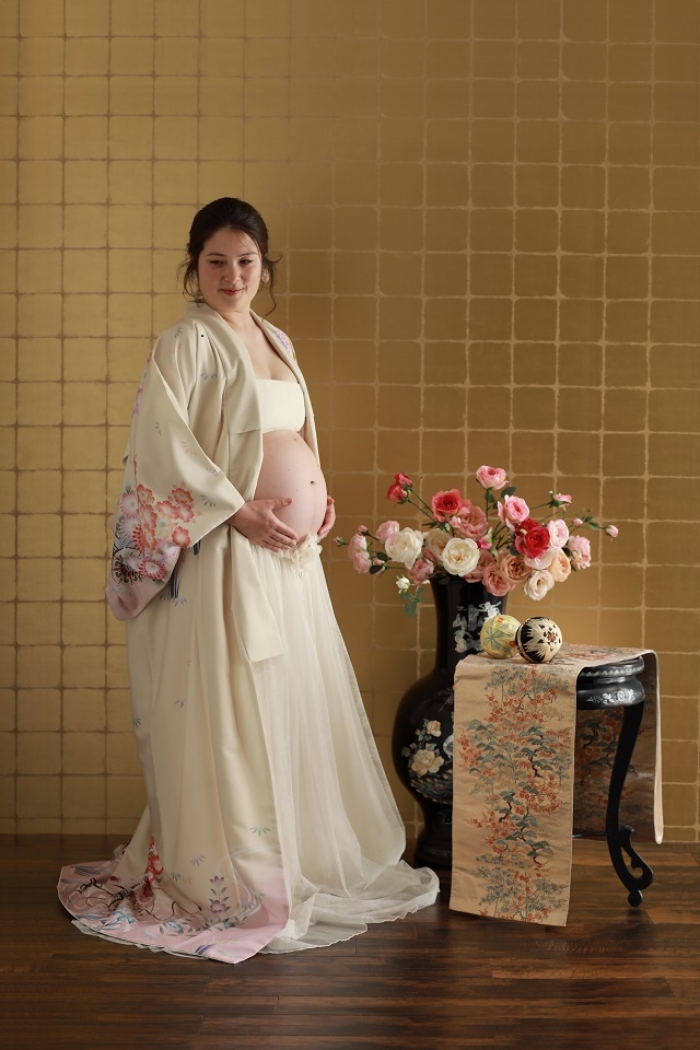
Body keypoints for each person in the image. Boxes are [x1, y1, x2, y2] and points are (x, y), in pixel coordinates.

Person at [58, 197, 439, 963]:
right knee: (235, 702)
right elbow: (163, 451)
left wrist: (317, 498)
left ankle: (298, 854)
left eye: (246, 261)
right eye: (216, 261)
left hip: (287, 557)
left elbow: (289, 433)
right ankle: (241, 872)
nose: (232, 275)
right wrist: (239, 513)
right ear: (193, 266)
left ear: (265, 267)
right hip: (227, 553)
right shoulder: (186, 342)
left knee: (287, 697)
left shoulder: (275, 338)